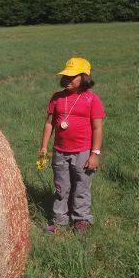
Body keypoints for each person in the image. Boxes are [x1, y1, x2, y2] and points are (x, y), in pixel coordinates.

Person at [39, 57, 105, 234]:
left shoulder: (91, 100)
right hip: (60, 152)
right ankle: (59, 221)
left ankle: (81, 219)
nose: (67, 79)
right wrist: (44, 147)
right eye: (65, 76)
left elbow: (98, 128)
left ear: (84, 78)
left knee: (82, 187)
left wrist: (95, 154)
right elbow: (49, 124)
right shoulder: (58, 98)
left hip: (83, 152)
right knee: (61, 187)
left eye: (72, 77)